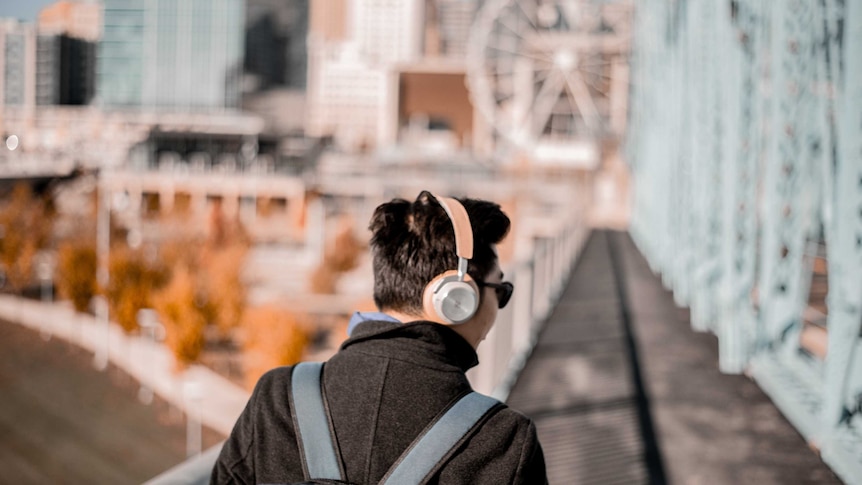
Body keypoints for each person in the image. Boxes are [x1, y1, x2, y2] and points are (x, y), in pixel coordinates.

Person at [211, 191, 547, 484]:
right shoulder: (504, 440)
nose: (500, 304)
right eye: (500, 290)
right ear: (457, 298)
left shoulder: (278, 398)